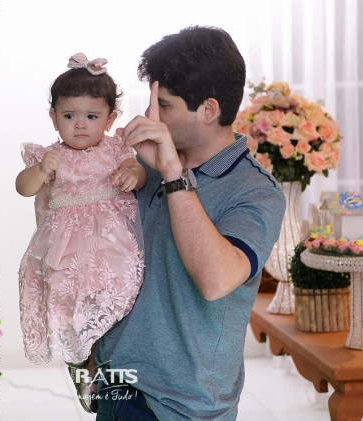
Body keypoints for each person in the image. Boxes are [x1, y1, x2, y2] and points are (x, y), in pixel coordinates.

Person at [94, 26, 286, 420]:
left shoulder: (256, 191)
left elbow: (216, 280)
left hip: (180, 409)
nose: (151, 117)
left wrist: (172, 174)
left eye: (164, 105)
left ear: (209, 110)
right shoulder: (143, 165)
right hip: (116, 389)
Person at [15, 53, 146, 413]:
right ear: (54, 117)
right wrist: (41, 170)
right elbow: (24, 188)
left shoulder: (115, 148)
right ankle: (80, 367)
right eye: (69, 116)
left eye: (91, 116)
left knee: (111, 301)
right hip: (65, 251)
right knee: (65, 306)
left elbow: (137, 169)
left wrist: (133, 174)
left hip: (109, 246)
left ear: (110, 119)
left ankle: (101, 362)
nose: (80, 125)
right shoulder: (50, 155)